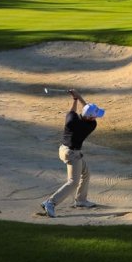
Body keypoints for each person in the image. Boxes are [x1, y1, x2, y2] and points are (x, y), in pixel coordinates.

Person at [41, 89, 105, 218]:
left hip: (63, 150)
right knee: (73, 182)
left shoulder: (71, 119)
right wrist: (80, 98)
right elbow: (87, 112)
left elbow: (74, 111)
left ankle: (81, 200)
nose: (96, 117)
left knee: (85, 173)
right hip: (72, 154)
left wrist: (75, 99)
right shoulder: (91, 125)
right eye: (95, 115)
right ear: (90, 117)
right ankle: (50, 203)